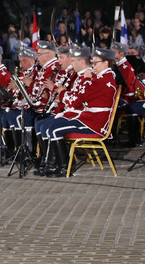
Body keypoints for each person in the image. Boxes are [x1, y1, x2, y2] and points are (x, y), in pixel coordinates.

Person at [35, 47, 118, 177]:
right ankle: (51, 164)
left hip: (95, 123)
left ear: (106, 63)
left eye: (95, 62)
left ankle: (63, 167)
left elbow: (82, 96)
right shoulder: (99, 78)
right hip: (88, 118)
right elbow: (81, 96)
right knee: (49, 126)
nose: (93, 65)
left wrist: (64, 91)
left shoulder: (105, 80)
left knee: (54, 129)